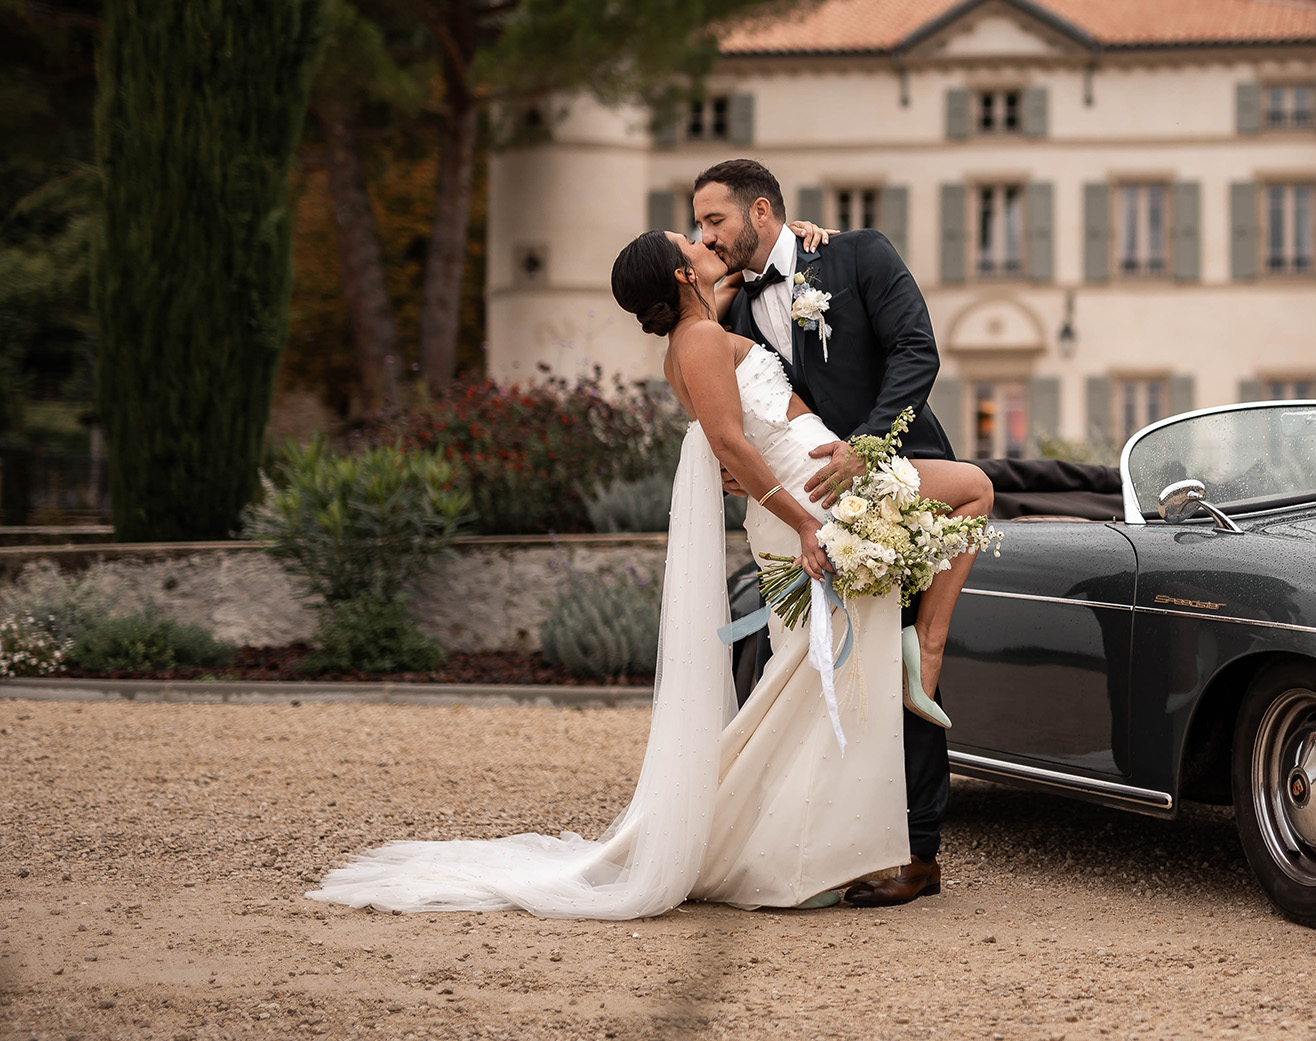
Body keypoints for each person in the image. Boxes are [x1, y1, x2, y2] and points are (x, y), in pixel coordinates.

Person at [305, 230, 983, 917]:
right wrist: (804, 523)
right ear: (683, 274)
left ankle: (820, 832)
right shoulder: (700, 340)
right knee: (960, 507)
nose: (705, 237)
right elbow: (728, 442)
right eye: (690, 238)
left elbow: (740, 294)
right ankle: (916, 662)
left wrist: (801, 231)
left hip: (806, 483)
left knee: (816, 682)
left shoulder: (699, 330)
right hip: (811, 496)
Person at [693, 158, 969, 908]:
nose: (705, 234)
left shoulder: (857, 255)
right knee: (831, 668)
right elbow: (740, 411)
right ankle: (836, 837)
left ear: (760, 211)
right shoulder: (730, 315)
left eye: (715, 219)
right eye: (698, 224)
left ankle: (917, 851)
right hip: (807, 510)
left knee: (901, 657)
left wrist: (868, 446)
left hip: (897, 479)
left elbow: (916, 350)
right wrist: (738, 468)